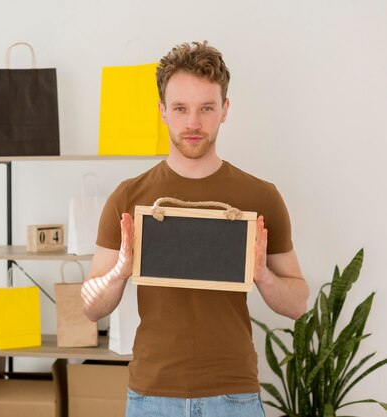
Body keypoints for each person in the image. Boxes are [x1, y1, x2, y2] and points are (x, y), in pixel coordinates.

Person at [81, 41, 309, 417]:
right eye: (180, 109)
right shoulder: (128, 197)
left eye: (206, 108)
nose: (192, 123)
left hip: (234, 396)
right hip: (151, 396)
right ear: (162, 112)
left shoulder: (260, 196)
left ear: (224, 111)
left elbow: (299, 304)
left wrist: (263, 277)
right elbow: (90, 308)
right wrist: (120, 273)